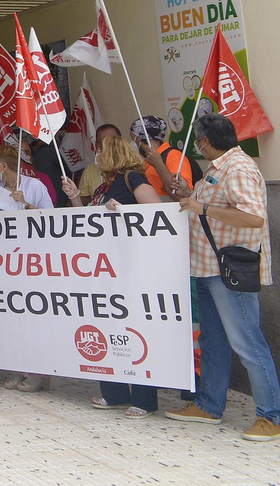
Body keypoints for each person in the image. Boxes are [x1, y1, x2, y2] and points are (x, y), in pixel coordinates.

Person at [165, 113, 280, 442]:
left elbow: (253, 217)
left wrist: (201, 209)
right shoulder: (218, 168)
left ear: (205, 141)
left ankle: (271, 417)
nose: (198, 146)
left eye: (198, 141)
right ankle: (208, 405)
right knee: (213, 341)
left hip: (229, 272)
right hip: (207, 268)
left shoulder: (238, 168)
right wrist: (190, 193)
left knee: (248, 343)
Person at [83, 135, 162, 416]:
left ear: (111, 154)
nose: (97, 156)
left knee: (136, 330)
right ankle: (114, 393)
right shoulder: (104, 186)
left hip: (133, 267)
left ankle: (144, 399)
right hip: (107, 267)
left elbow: (157, 212)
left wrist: (124, 211)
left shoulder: (132, 179)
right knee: (108, 327)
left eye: (100, 151)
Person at [0, 143, 58, 391]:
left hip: (32, 261)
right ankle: (18, 368)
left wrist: (27, 205)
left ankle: (39, 373)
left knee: (33, 318)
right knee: (11, 317)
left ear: (4, 165)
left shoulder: (35, 186)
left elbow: (52, 220)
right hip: (7, 261)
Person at [131, 116, 194, 200]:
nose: (132, 143)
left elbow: (181, 195)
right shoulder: (147, 160)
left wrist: (159, 165)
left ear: (140, 138)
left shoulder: (174, 156)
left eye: (132, 138)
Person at [74, 123, 122, 198]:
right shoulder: (90, 170)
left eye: (111, 141)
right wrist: (74, 194)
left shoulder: (131, 166)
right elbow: (84, 199)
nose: (106, 145)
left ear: (121, 142)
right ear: (97, 145)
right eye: (102, 142)